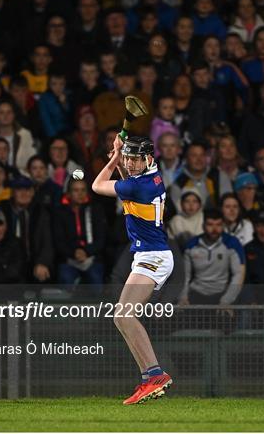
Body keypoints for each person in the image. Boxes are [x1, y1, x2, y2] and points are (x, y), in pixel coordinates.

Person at [92, 135, 174, 404]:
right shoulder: (151, 178)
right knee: (121, 317)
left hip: (154, 256)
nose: (130, 162)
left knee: (125, 314)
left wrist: (114, 159)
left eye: (135, 158)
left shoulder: (139, 186)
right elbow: (128, 182)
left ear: (148, 159)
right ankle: (149, 377)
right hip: (148, 255)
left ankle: (155, 375)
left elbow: (96, 185)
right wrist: (120, 159)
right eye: (128, 157)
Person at [181, 208, 245, 305]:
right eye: (210, 224)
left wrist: (226, 300)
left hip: (222, 294)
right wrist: (183, 297)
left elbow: (238, 274)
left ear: (223, 225)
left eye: (218, 225)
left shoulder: (232, 243)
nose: (214, 229)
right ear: (203, 226)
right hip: (195, 294)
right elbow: (185, 276)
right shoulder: (191, 245)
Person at [54, 178, 106, 293]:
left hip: (92, 257)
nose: (80, 194)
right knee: (66, 279)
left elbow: (101, 238)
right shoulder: (60, 213)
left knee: (96, 281)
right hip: (69, 258)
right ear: (68, 193)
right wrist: (74, 253)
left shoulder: (95, 209)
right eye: (76, 190)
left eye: (83, 190)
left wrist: (86, 252)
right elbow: (59, 240)